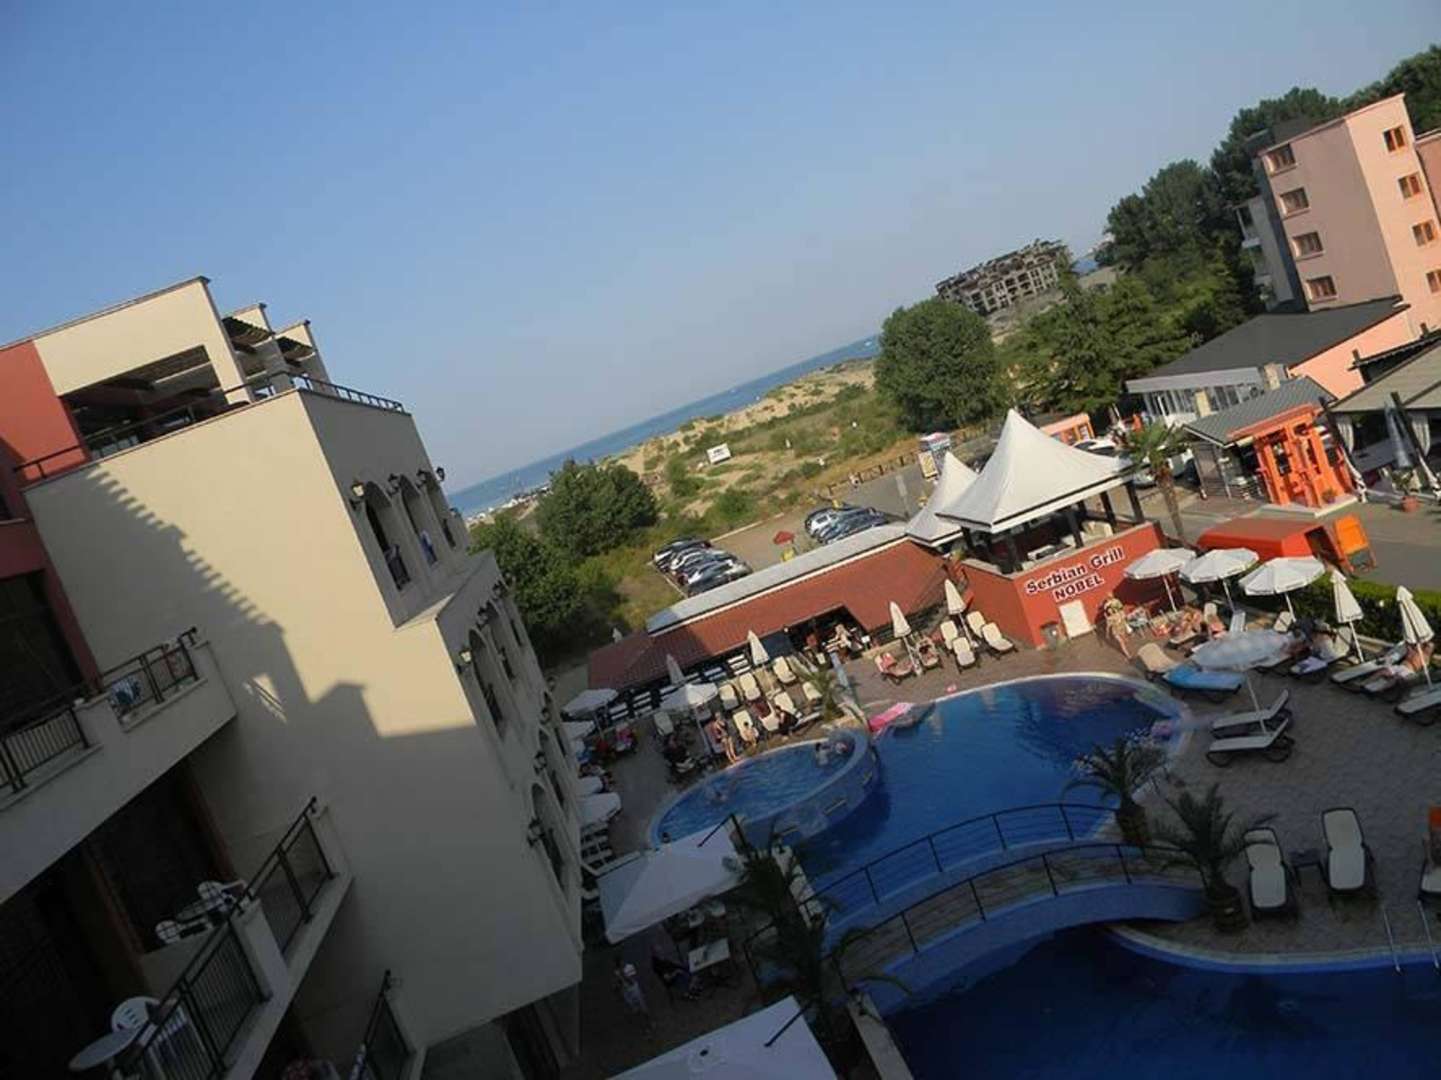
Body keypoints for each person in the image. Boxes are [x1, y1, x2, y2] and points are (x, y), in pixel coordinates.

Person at [614, 961, 654, 1031]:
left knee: (643, 1007)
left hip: (634, 989)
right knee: (635, 1010)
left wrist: (621, 975)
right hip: (626, 992)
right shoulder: (616, 971)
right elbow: (618, 984)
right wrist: (618, 987)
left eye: (619, 963)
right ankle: (644, 1027)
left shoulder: (629, 967)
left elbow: (631, 981)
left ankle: (650, 1023)